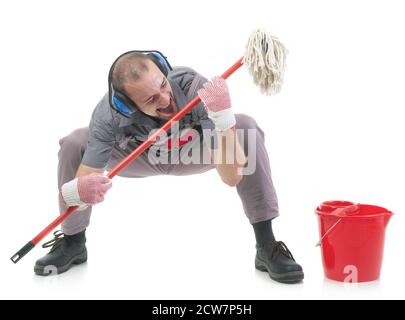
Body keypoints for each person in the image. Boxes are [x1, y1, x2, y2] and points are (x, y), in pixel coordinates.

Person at [34, 51, 304, 284]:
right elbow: (74, 195)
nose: (165, 99)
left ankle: (266, 246)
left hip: (191, 152)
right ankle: (73, 242)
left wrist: (222, 116)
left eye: (163, 85)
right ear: (126, 105)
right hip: (138, 158)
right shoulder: (108, 115)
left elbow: (231, 176)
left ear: (164, 69)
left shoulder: (191, 85)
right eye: (151, 100)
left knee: (244, 127)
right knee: (75, 141)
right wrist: (79, 191)